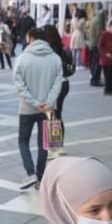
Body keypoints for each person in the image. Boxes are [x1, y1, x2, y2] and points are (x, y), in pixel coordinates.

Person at [13, 27, 64, 191]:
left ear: (31, 38)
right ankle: (40, 177)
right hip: (47, 110)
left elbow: (19, 85)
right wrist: (47, 103)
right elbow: (58, 84)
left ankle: (30, 173)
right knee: (44, 143)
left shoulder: (22, 59)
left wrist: (34, 102)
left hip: (27, 109)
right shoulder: (55, 59)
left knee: (23, 141)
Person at [41, 25, 74, 157]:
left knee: (52, 116)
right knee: (56, 115)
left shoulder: (50, 50)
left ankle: (56, 147)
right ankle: (58, 146)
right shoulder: (58, 47)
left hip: (56, 85)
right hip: (64, 83)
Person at [87, 7, 106, 87]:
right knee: (97, 63)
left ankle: (94, 78)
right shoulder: (99, 21)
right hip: (96, 44)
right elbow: (99, 34)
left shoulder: (93, 19)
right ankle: (95, 79)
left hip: (92, 43)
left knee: (94, 62)